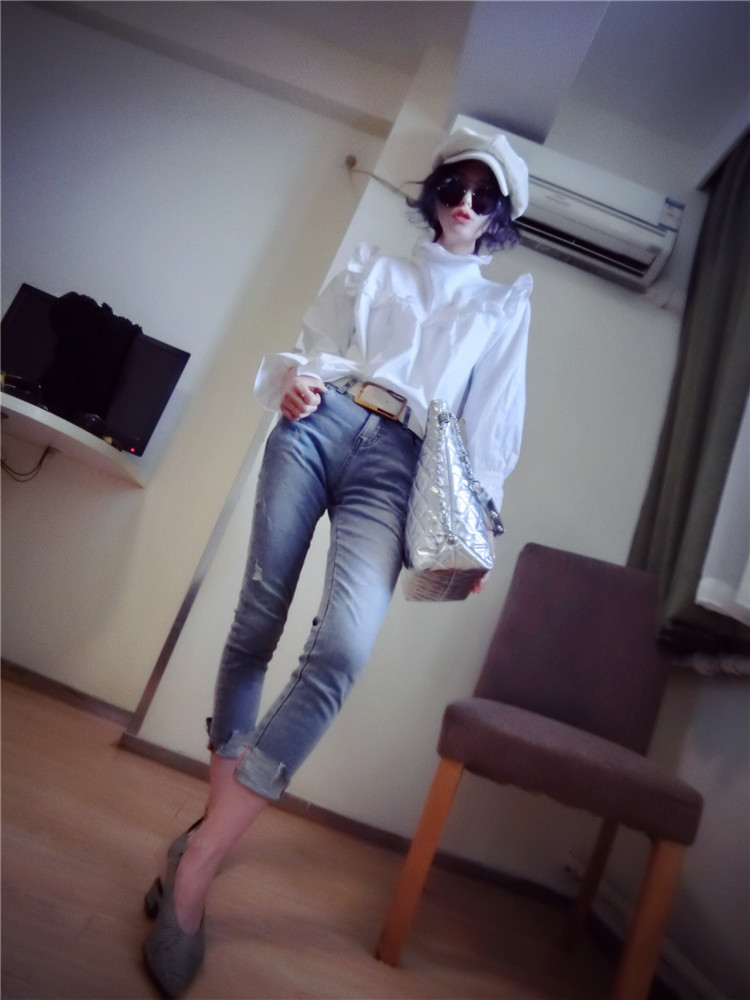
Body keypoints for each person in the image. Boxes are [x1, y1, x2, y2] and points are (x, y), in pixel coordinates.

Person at [143, 127, 532, 997]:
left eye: (484, 196)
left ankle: (198, 855)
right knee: (258, 617)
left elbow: (493, 424)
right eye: (454, 186)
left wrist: (485, 524)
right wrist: (291, 380)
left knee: (343, 649)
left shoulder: (503, 308)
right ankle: (202, 859)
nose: (465, 204)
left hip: (402, 465)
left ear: (499, 215)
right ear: (434, 193)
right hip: (319, 423)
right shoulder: (374, 268)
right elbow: (311, 342)